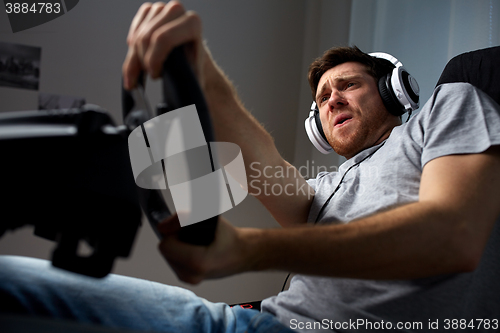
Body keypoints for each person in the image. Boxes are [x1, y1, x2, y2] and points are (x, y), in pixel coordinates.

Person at [2, 1, 500, 332]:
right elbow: (263, 165)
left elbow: (452, 232)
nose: (332, 100)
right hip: (252, 318)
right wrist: (203, 71)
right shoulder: (328, 185)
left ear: (395, 88)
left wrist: (244, 249)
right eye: (323, 98)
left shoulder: (446, 108)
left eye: (348, 85)